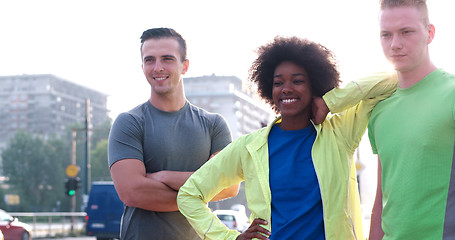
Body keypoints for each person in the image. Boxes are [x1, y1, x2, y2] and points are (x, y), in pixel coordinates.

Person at [177, 36, 397, 240]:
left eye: (298, 81)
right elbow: (189, 195)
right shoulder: (250, 147)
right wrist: (230, 237)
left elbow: (392, 79)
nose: (287, 89)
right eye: (278, 82)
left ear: (314, 86)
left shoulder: (339, 133)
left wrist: (332, 102)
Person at [108, 27, 238, 240]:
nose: (157, 68)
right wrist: (199, 192)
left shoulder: (214, 125)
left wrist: (163, 177)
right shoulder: (129, 122)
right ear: (142, 67)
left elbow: (229, 186)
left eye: (167, 59)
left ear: (185, 66)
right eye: (149, 60)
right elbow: (132, 192)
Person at [367, 1, 455, 239]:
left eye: (406, 32)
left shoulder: (452, 94)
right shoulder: (379, 111)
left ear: (430, 33)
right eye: (386, 35)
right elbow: (381, 198)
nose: (395, 44)